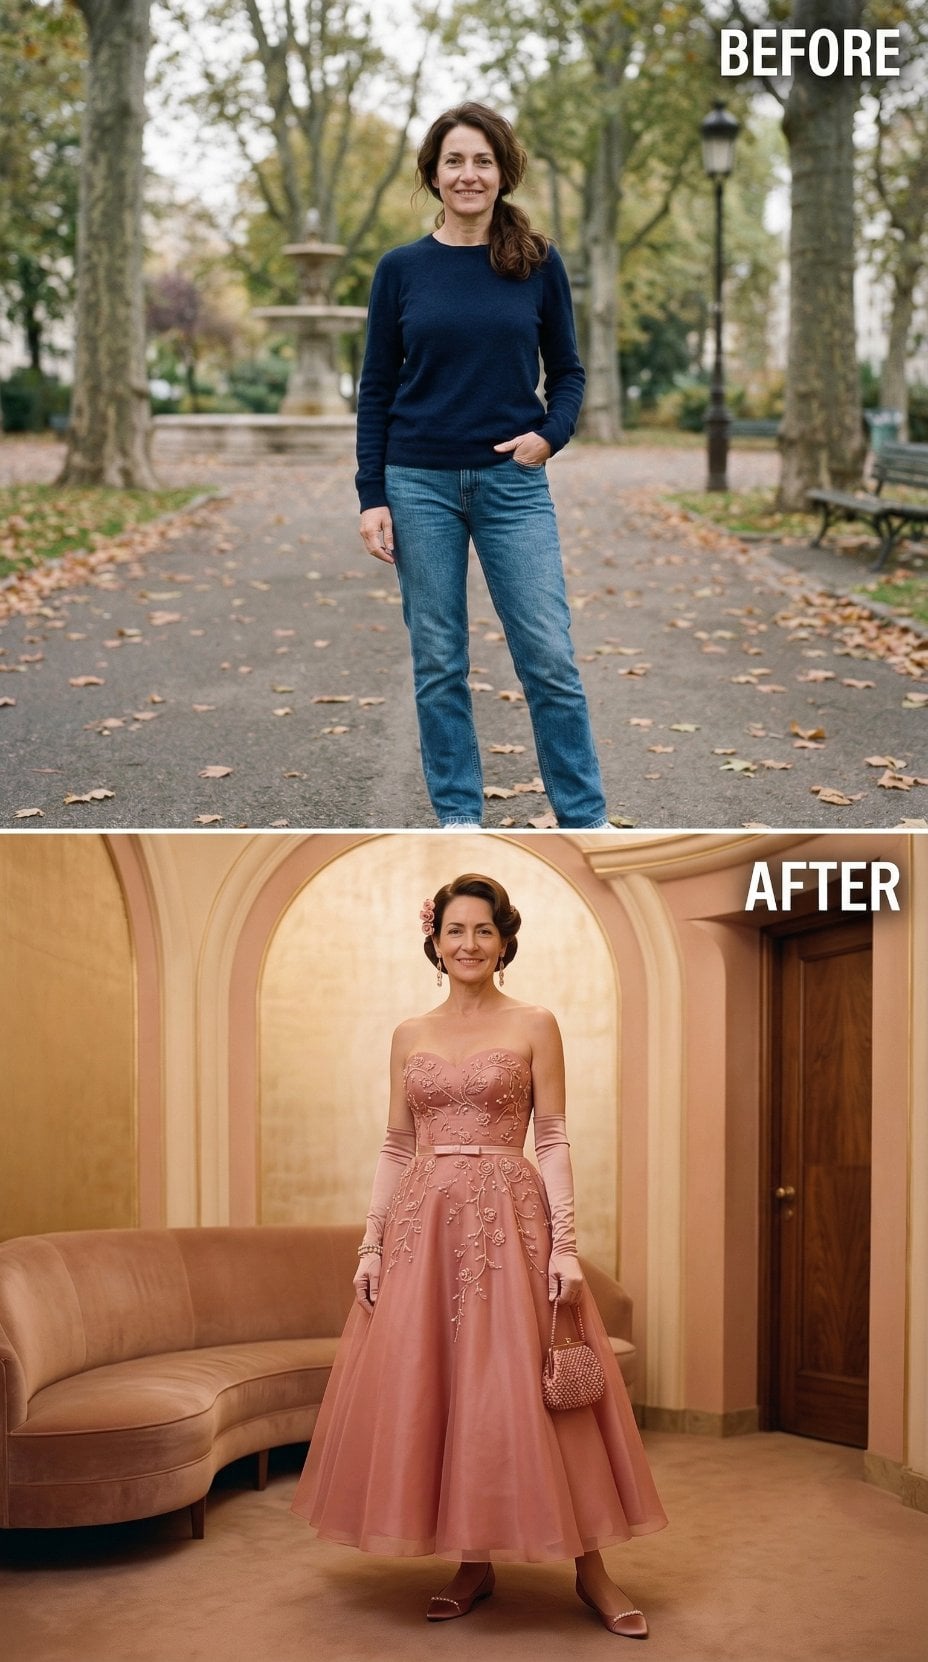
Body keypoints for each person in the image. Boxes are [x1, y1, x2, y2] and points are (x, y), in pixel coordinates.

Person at [290, 873, 667, 1635]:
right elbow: (397, 1143)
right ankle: (473, 1561)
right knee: (449, 1391)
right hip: (421, 1228)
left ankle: (591, 1570)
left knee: (535, 1390)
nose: (468, 944)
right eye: (455, 931)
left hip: (510, 1222)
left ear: (504, 941)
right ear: (434, 941)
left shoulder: (535, 1022)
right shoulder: (408, 1033)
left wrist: (567, 1247)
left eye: (483, 931)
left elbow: (552, 1136)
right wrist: (370, 1243)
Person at [355, 103, 610, 831]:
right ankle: (460, 817)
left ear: (503, 172)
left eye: (483, 161)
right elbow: (376, 388)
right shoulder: (401, 269)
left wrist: (550, 436)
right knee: (439, 663)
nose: (469, 174)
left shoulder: (536, 261)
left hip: (513, 486)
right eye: (455, 161)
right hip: (418, 483)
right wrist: (373, 494)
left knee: (550, 659)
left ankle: (584, 820)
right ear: (434, 175)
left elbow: (567, 371)